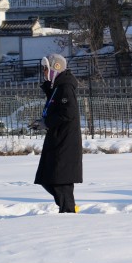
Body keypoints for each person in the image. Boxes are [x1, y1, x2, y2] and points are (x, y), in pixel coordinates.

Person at [33, 53, 83, 213]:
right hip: (56, 139)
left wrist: (46, 123)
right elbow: (56, 109)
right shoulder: (58, 87)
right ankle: (67, 207)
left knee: (60, 181)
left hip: (65, 142)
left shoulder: (66, 87)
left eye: (46, 68)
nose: (43, 71)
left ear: (56, 68)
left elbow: (69, 113)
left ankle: (68, 210)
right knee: (47, 178)